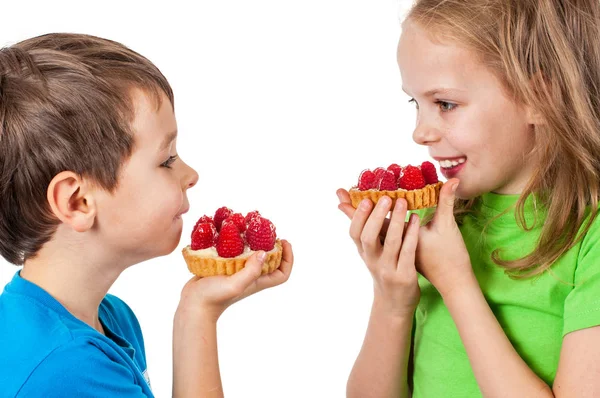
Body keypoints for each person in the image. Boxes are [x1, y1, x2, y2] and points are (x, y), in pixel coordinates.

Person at [0, 33, 293, 398]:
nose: (190, 174)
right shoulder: (66, 369)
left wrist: (196, 305)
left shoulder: (111, 317)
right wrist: (196, 316)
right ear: (77, 202)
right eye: (166, 160)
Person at [337, 0, 600, 396]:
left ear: (539, 97)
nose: (420, 132)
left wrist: (456, 282)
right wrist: (392, 298)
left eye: (445, 104)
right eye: (416, 103)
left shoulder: (590, 238)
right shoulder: (442, 220)